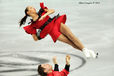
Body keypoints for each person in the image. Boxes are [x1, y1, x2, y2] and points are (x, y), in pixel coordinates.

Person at [19, 2, 98, 58]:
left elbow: (52, 10)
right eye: (31, 8)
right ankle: (88, 51)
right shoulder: (32, 25)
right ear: (28, 12)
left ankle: (85, 49)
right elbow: (35, 39)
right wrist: (41, 34)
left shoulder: (42, 11)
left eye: (32, 7)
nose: (33, 8)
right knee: (70, 42)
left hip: (56, 23)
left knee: (71, 36)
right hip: (53, 32)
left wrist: (44, 15)